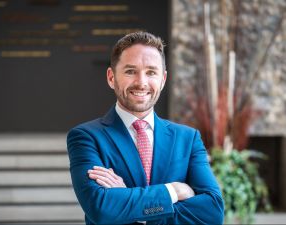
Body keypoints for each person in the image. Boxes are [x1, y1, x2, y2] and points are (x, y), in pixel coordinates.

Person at [67, 31, 224, 224]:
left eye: (151, 72)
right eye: (130, 71)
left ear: (163, 79)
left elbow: (213, 211)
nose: (141, 83)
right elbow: (101, 209)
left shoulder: (188, 138)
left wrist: (133, 209)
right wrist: (173, 191)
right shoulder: (86, 137)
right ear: (111, 77)